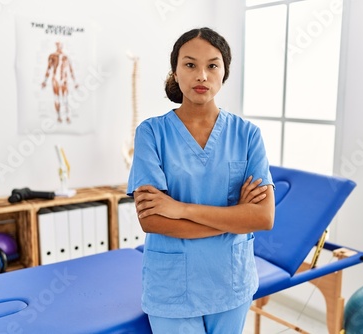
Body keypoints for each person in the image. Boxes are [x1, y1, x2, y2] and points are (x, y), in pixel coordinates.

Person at [127, 27, 275, 334]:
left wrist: (179, 208)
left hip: (231, 283)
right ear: (176, 71)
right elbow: (152, 220)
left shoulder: (247, 135)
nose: (202, 76)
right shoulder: (151, 133)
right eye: (190, 64)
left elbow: (263, 217)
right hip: (172, 287)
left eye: (212, 65)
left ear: (224, 73)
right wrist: (236, 218)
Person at [41, 41, 78, 123]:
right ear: (56, 46)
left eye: (60, 45)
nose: (59, 46)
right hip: (55, 79)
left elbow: (71, 70)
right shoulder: (52, 56)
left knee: (65, 98)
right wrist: (45, 81)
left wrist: (75, 82)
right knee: (57, 98)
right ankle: (58, 116)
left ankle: (67, 116)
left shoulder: (66, 56)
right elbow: (49, 68)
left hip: (64, 79)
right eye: (58, 45)